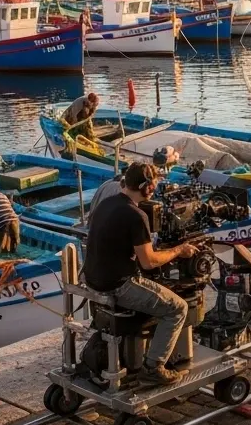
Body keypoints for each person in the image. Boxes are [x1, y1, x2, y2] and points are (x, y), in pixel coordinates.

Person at [85, 163, 199, 384]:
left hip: (94, 279)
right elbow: (148, 262)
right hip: (118, 285)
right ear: (146, 187)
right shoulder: (136, 215)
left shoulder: (107, 204)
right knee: (178, 308)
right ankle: (153, 367)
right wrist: (179, 250)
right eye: (153, 184)